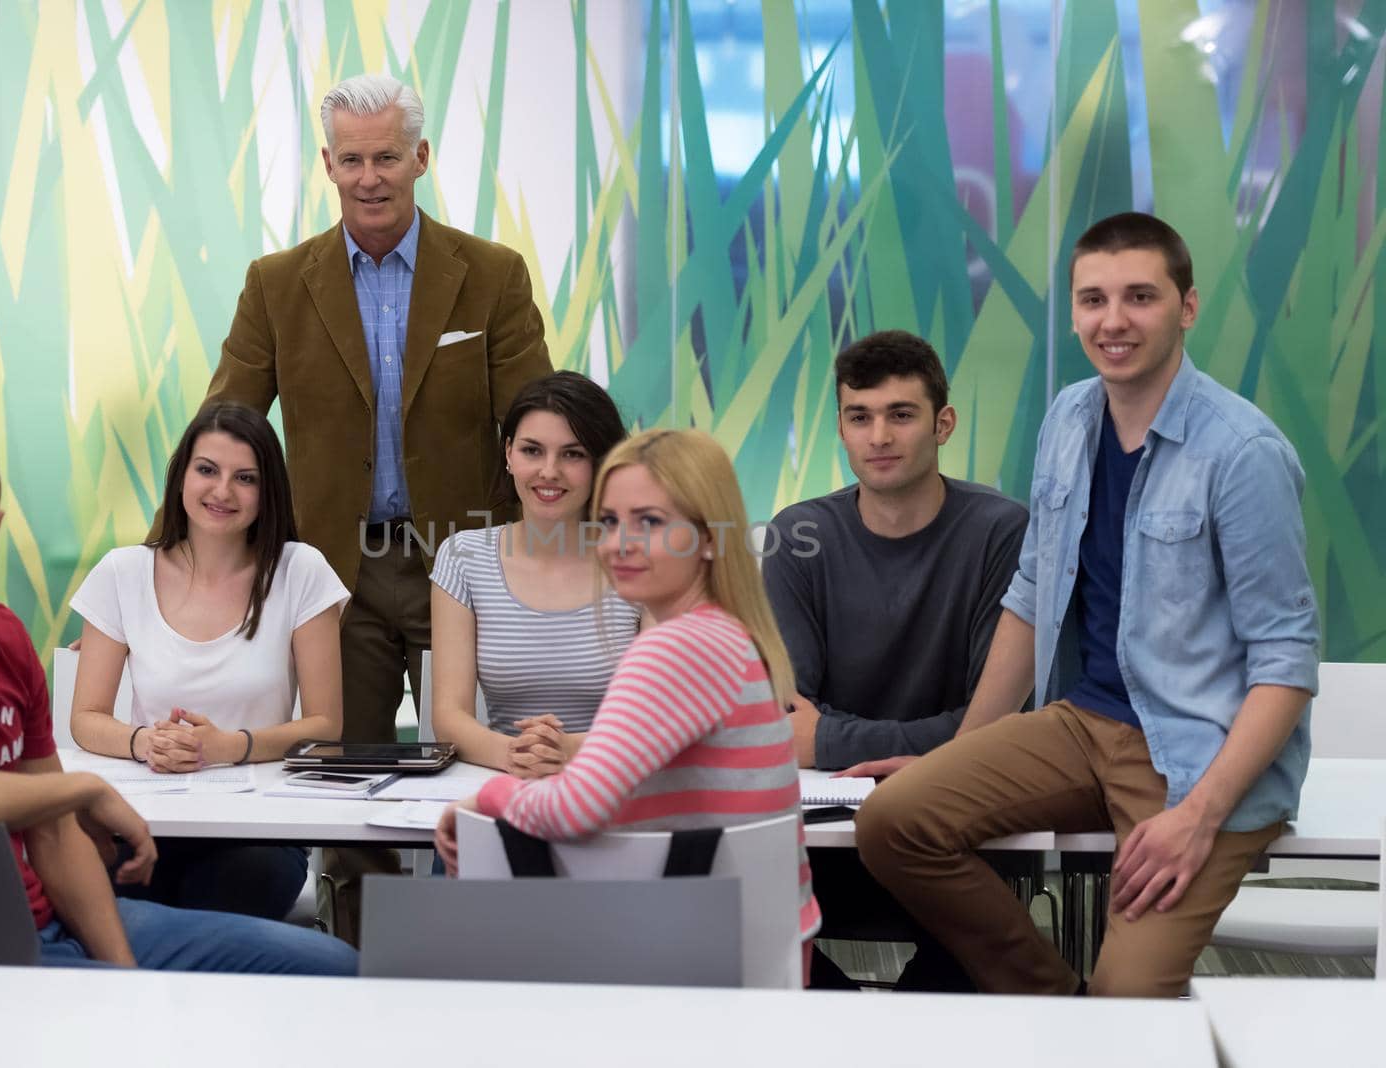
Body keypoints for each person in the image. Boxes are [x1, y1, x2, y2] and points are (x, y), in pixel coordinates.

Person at [856, 212, 1321, 997]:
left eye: (1140, 296)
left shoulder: (1243, 454)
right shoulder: (1070, 418)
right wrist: (961, 751)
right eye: (1093, 299)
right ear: (1073, 312)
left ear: (1188, 306)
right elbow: (1032, 596)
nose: (1114, 320)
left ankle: (1097, 1020)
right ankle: (1060, 1006)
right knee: (894, 822)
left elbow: (1286, 662)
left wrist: (1199, 817)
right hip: (1081, 720)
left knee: (1130, 1002)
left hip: (1193, 754)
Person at [0, 416, 357, 973]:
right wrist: (77, 788)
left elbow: (56, 833)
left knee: (337, 967)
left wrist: (121, 973)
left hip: (50, 923)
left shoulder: (2, 637)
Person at [197, 72, 552, 940]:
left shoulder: (493, 276)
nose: (370, 177)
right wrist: (177, 552)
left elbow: (541, 419)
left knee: (478, 772)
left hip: (463, 563)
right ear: (328, 164)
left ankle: (480, 946)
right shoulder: (278, 284)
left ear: (421, 157)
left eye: (387, 156)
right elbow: (229, 421)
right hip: (331, 569)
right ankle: (356, 962)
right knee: (344, 784)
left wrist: (526, 549)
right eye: (351, 159)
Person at [434, 429, 822, 966]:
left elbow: (576, 811)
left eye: (651, 522)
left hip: (693, 963)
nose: (620, 543)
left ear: (709, 537)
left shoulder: (674, 648)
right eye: (611, 522)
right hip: (746, 949)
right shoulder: (728, 635)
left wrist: (484, 802)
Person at [763, 329, 1027, 990]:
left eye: (900, 415)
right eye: (860, 417)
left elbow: (995, 728)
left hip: (958, 832)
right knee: (746, 933)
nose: (878, 435)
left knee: (967, 972)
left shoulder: (1003, 532)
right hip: (820, 833)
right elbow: (789, 725)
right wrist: (942, 738)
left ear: (943, 424)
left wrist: (831, 736)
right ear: (843, 431)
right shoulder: (800, 537)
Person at [68, 402, 347, 920]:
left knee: (232, 893)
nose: (222, 492)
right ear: (181, 477)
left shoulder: (299, 570)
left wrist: (228, 747)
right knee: (101, 881)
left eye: (245, 478)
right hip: (143, 819)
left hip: (258, 831)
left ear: (268, 493)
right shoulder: (122, 572)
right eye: (207, 470)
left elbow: (326, 729)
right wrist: (144, 741)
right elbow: (85, 719)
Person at [429, 371, 638, 776]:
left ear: (602, 463)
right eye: (532, 451)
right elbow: (449, 717)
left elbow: (658, 718)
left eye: (572, 454)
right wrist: (517, 754)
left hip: (616, 783)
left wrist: (567, 749)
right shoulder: (463, 556)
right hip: (503, 781)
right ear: (508, 454)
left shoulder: (639, 558)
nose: (549, 471)